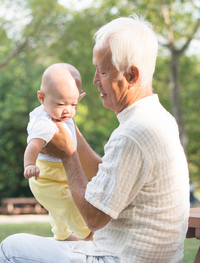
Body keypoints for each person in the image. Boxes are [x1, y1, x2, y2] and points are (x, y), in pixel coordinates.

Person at [0, 14, 190, 263]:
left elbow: (94, 219)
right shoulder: (156, 119)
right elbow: (109, 179)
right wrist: (67, 124)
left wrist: (68, 155)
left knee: (10, 248)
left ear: (131, 75)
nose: (94, 81)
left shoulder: (133, 134)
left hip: (121, 258)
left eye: (102, 71)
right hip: (132, 253)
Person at [23, 63, 92, 241]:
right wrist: (30, 164)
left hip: (61, 173)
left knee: (60, 208)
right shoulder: (44, 122)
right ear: (41, 97)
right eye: (61, 103)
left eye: (73, 104)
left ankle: (62, 236)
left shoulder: (65, 115)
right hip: (46, 179)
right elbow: (33, 146)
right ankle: (88, 234)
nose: (67, 110)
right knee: (69, 206)